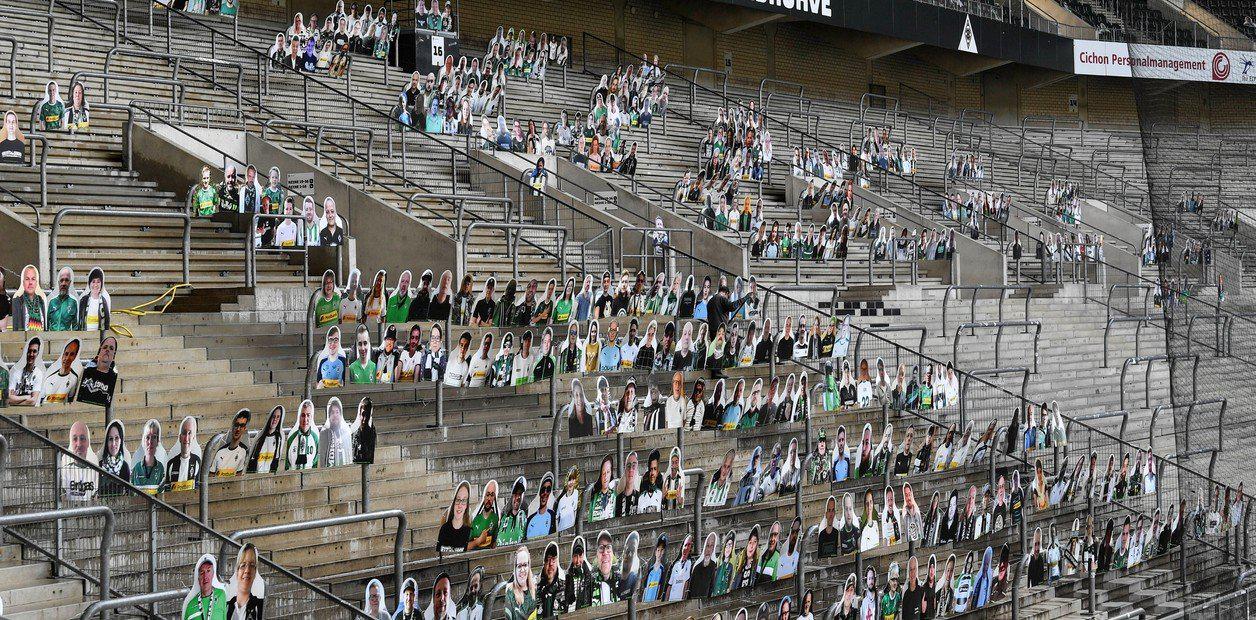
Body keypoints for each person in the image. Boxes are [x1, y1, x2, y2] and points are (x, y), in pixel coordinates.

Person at [183, 554, 229, 620]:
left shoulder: (221, 595)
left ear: (213, 574)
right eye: (202, 573)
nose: (205, 577)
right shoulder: (191, 606)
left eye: (208, 571)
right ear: (198, 578)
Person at [227, 543, 265, 620]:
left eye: (252, 565)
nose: (247, 571)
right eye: (243, 565)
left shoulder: (260, 606)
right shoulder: (226, 605)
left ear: (255, 571)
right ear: (237, 571)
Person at [210, 409, 251, 477]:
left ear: (245, 428)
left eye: (241, 426)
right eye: (236, 425)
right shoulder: (220, 451)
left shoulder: (243, 451)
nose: (238, 429)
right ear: (233, 426)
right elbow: (211, 475)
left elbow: (239, 476)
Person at [165, 416, 202, 492]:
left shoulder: (197, 462)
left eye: (190, 433)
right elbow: (166, 491)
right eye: (184, 433)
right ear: (179, 437)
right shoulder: (171, 463)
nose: (186, 438)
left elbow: (199, 490)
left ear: (193, 437)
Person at [41, 338, 81, 404]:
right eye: (66, 354)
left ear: (75, 356)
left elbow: (70, 399)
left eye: (71, 354)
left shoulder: (74, 378)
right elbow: (41, 398)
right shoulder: (50, 377)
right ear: (62, 355)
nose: (67, 358)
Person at [246, 406, 285, 473]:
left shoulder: (280, 438)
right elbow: (251, 457)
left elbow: (276, 460)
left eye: (278, 417)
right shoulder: (259, 435)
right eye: (273, 416)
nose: (275, 419)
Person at [284, 400, 321, 470]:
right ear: (299, 417)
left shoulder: (315, 437)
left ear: (312, 417)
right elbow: (287, 463)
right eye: (303, 415)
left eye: (308, 415)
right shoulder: (292, 437)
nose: (305, 419)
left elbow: (315, 462)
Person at [8, 337, 44, 406]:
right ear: (26, 352)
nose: (31, 354)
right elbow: (8, 399)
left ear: (38, 353)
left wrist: (14, 400)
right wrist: (27, 397)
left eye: (34, 351)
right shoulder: (16, 373)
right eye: (29, 351)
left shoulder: (38, 374)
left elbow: (33, 401)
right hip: (14, 411)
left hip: (30, 411)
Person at [504, 547, 537, 620]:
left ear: (529, 566)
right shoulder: (510, 593)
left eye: (525, 565)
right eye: (519, 566)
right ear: (515, 569)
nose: (522, 570)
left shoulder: (535, 590)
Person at [11, 265, 47, 331]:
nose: (30, 282)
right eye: (27, 279)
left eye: (33, 279)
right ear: (23, 282)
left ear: (36, 282)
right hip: (24, 337)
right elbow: (16, 329)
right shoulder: (17, 301)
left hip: (40, 337)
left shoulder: (41, 301)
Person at [77, 267, 111, 332]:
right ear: (89, 284)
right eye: (93, 282)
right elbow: (80, 319)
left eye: (98, 282)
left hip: (99, 335)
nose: (95, 285)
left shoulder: (104, 301)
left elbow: (107, 321)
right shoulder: (83, 300)